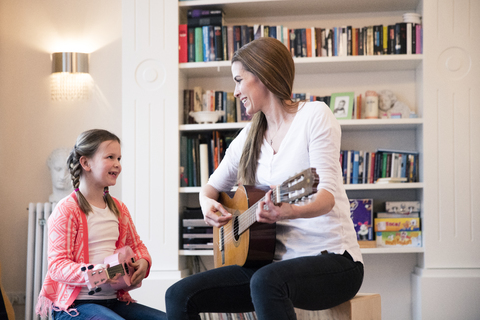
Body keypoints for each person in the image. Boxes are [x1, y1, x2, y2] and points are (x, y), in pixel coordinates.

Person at [165, 37, 364, 320]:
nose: (234, 92)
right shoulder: (248, 136)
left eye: (239, 80)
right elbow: (209, 189)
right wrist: (207, 204)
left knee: (266, 281)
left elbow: (327, 198)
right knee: (178, 295)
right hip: (271, 266)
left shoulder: (314, 116)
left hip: (333, 261)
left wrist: (290, 210)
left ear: (263, 76)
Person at [36, 129, 167, 320]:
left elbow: (137, 246)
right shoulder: (66, 209)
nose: (117, 164)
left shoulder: (119, 209)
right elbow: (57, 266)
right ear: (86, 163)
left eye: (119, 158)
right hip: (76, 306)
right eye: (110, 157)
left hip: (114, 301)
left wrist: (143, 262)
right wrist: (99, 273)